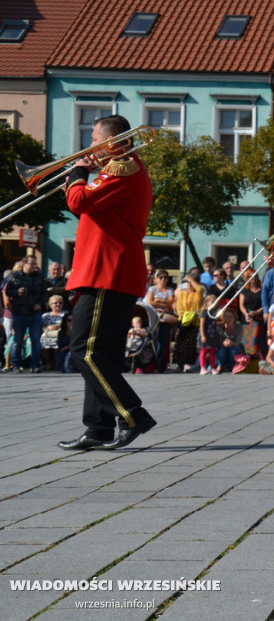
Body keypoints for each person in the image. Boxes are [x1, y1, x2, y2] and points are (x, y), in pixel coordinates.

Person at [58, 114, 157, 451]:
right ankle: (98, 427)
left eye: (94, 141)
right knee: (103, 353)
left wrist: (77, 174)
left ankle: (133, 414)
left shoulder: (121, 168)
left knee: (84, 350)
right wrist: (82, 177)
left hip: (107, 272)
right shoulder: (118, 169)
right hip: (107, 270)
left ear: (112, 141)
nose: (90, 148)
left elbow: (78, 201)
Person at [4, 255, 45, 373]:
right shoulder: (15, 276)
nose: (34, 266)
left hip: (34, 312)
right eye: (32, 264)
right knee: (17, 340)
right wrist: (16, 292)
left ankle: (35, 365)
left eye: (35, 264)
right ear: (24, 264)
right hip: (20, 312)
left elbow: (44, 293)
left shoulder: (39, 277)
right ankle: (16, 365)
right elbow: (8, 291)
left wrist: (40, 304)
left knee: (35, 340)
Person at [173, 271, 204, 372]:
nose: (189, 284)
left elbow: (200, 289)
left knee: (191, 343)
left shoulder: (198, 292)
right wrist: (185, 317)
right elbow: (179, 308)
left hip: (195, 321)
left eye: (192, 282)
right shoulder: (182, 293)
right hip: (184, 321)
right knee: (181, 343)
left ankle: (190, 363)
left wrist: (191, 279)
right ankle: (180, 364)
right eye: (189, 282)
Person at [145, 270, 176, 372]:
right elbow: (150, 302)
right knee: (152, 339)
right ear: (156, 279)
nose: (163, 279)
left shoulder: (170, 290)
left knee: (163, 341)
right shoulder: (152, 289)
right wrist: (164, 302)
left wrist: (158, 301)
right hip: (153, 317)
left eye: (166, 277)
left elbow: (170, 305)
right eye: (161, 277)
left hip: (165, 318)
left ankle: (160, 363)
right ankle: (151, 362)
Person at [40, 294, 67, 371]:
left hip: (61, 333)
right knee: (42, 340)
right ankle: (49, 363)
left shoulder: (65, 314)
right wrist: (47, 327)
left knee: (57, 339)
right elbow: (40, 326)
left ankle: (56, 364)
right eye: (55, 303)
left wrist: (59, 326)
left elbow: (70, 325)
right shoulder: (45, 315)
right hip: (47, 334)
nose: (58, 304)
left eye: (60, 303)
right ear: (50, 305)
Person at [198, 294, 219, 375]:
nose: (214, 304)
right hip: (206, 333)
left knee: (212, 351)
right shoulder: (204, 313)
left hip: (213, 334)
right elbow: (202, 325)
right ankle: (202, 367)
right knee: (204, 350)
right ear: (207, 302)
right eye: (212, 302)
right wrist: (203, 335)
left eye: (215, 302)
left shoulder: (214, 313)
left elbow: (215, 323)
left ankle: (213, 367)